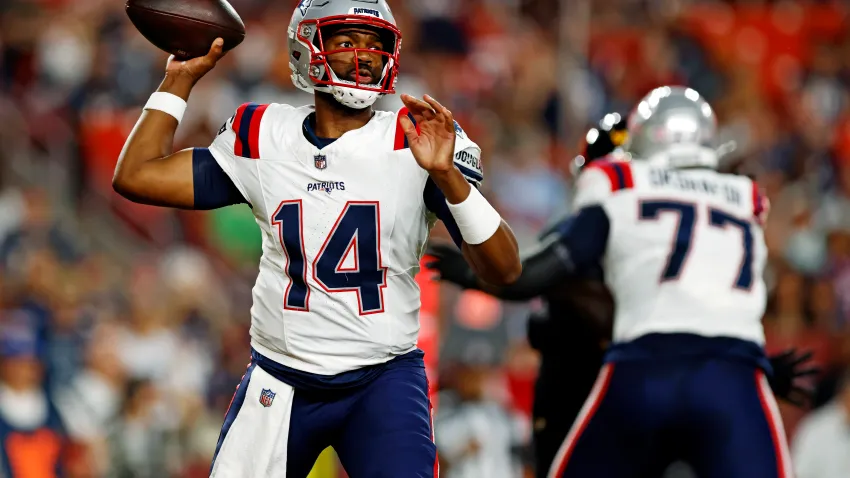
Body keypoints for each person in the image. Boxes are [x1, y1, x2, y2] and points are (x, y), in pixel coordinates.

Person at [111, 1, 522, 476]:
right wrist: (180, 78)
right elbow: (136, 176)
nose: (364, 56)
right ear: (306, 45)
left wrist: (449, 177)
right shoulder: (264, 134)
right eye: (347, 41)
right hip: (281, 376)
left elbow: (505, 269)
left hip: (382, 378)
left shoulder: (415, 139)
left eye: (375, 44)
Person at [431, 86, 817, 478]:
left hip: (638, 372)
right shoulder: (744, 196)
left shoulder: (617, 187)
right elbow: (702, 306)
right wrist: (753, 367)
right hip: (730, 373)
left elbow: (535, 276)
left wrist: (477, 271)